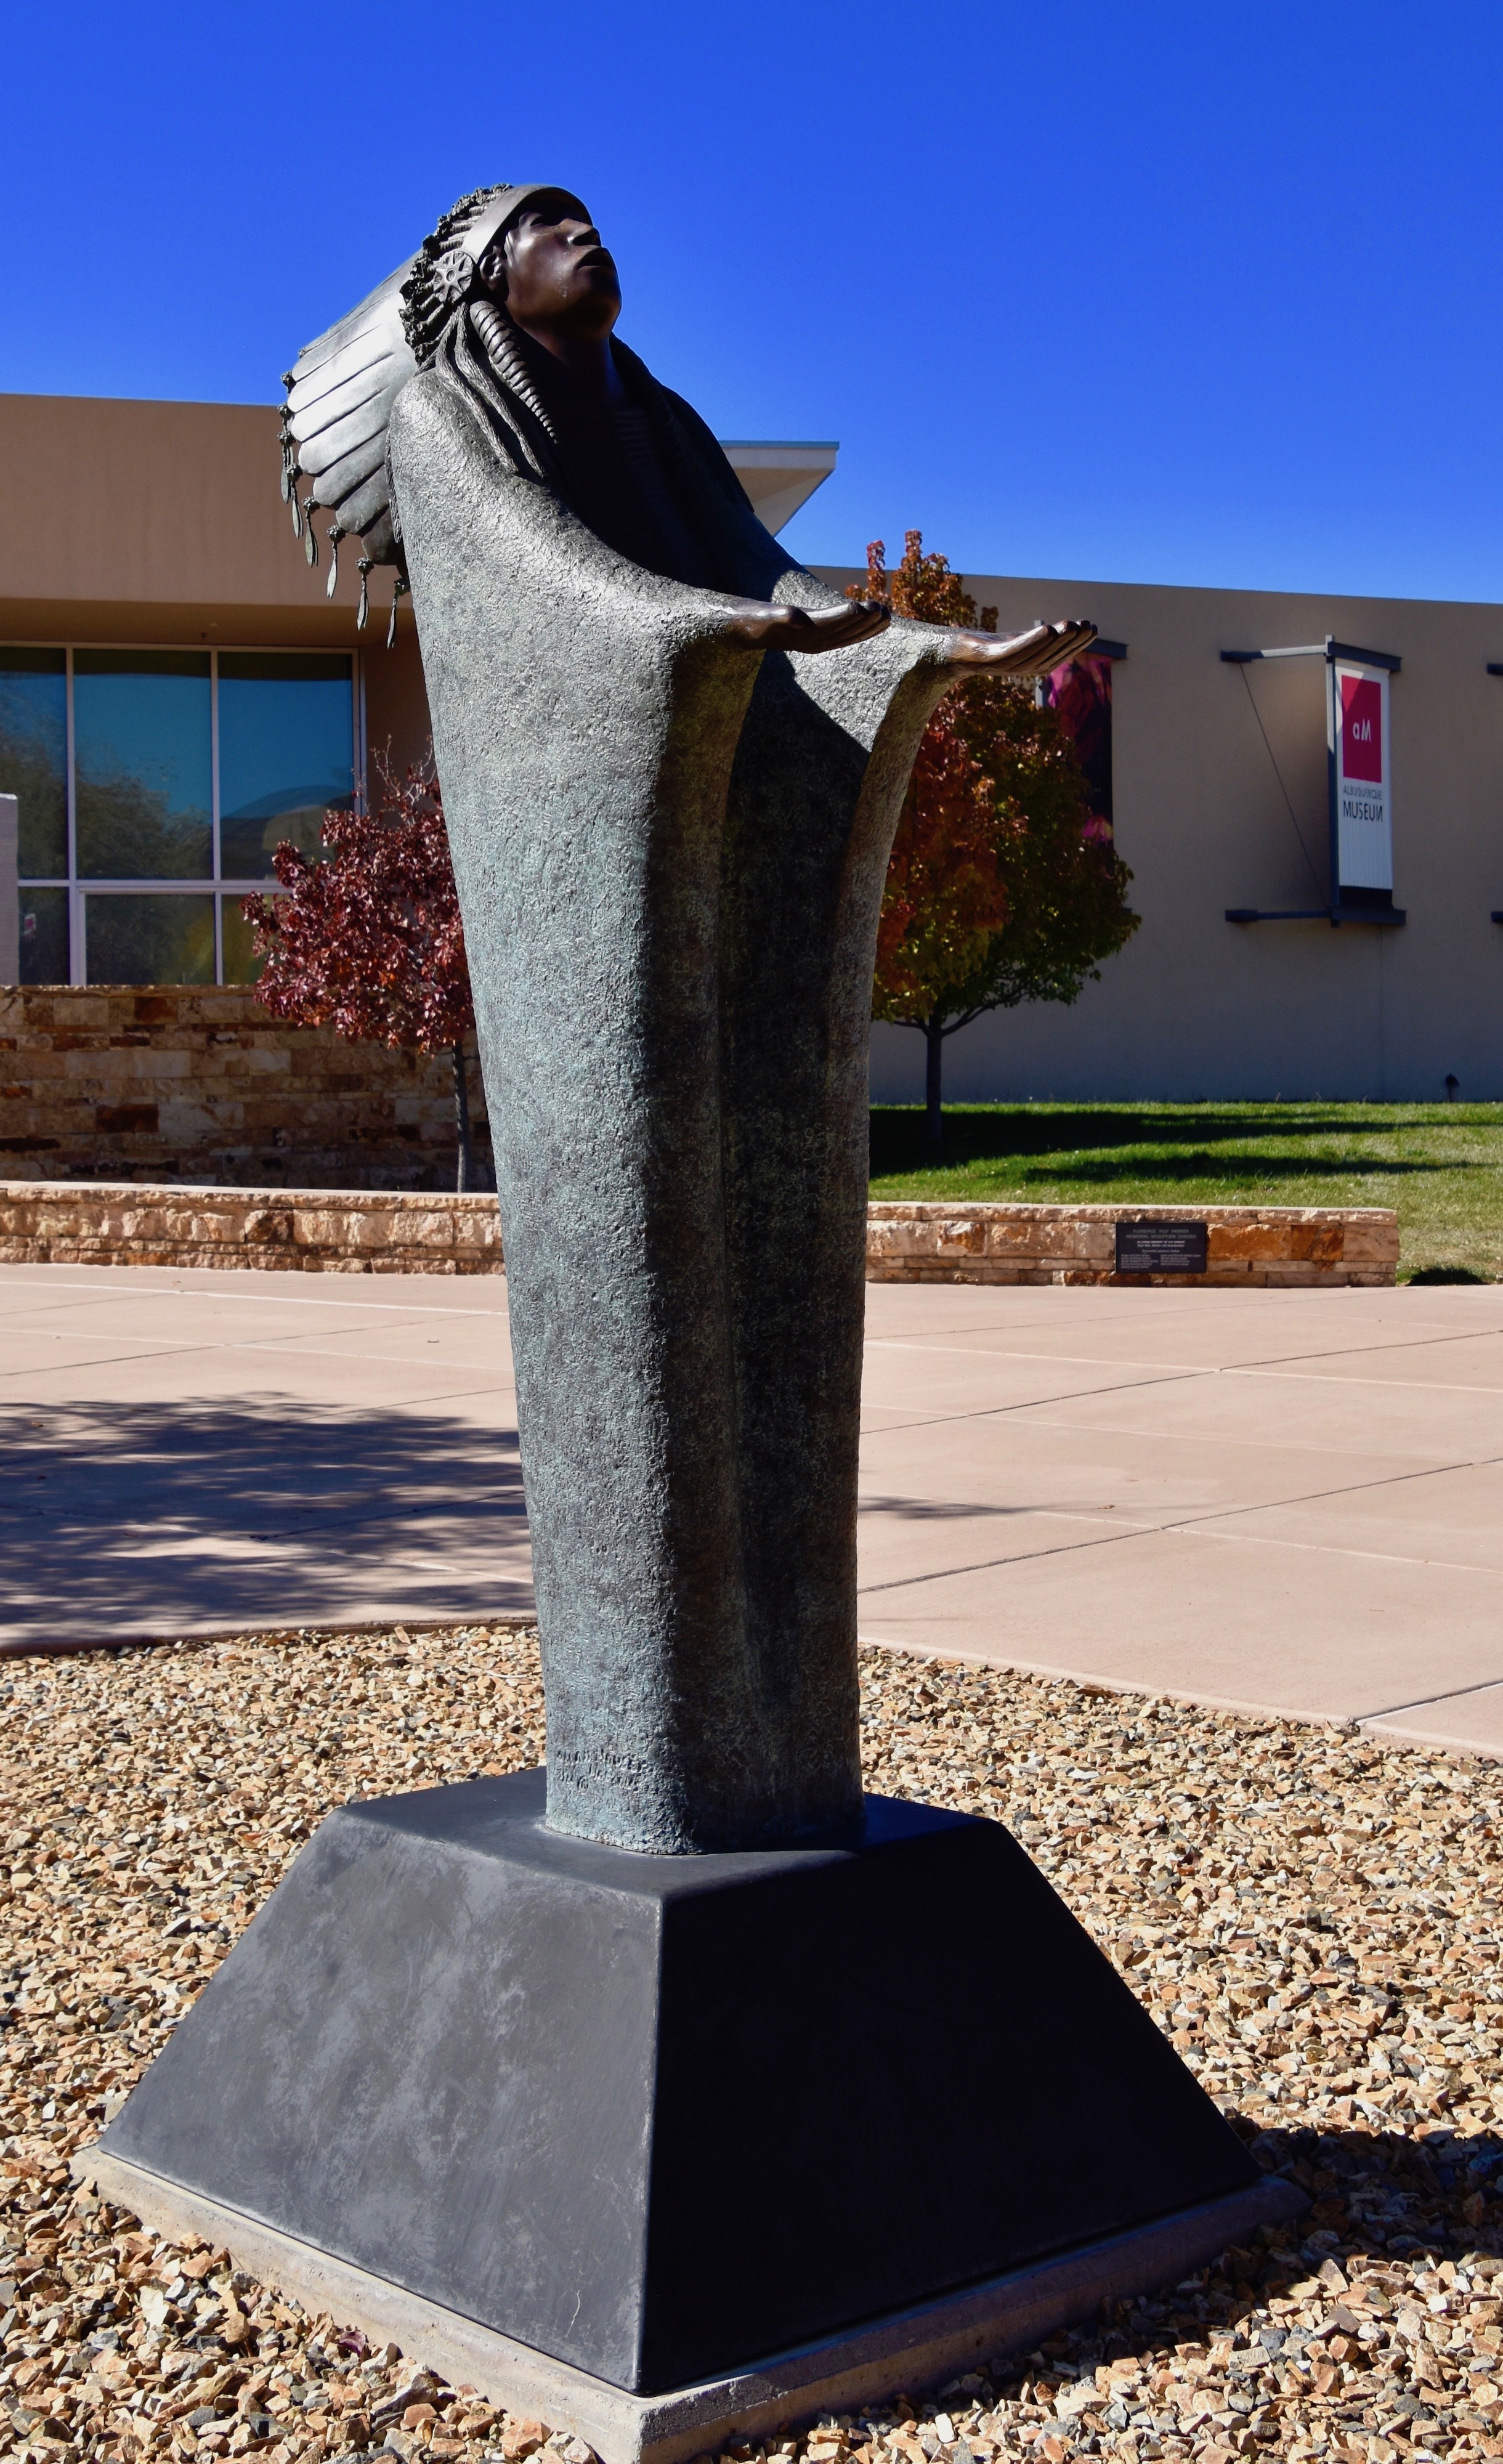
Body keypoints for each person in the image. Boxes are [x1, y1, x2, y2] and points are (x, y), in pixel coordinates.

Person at [286, 185, 1093, 1855]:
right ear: (479, 270)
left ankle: (774, 1750)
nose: (587, 239)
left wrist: (930, 653)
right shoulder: (460, 411)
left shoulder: (648, 412)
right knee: (641, 1276)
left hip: (707, 815)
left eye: (590, 220)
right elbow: (548, 591)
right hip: (589, 931)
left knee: (778, 1248)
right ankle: (651, 1761)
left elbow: (772, 574)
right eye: (549, 223)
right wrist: (699, 633)